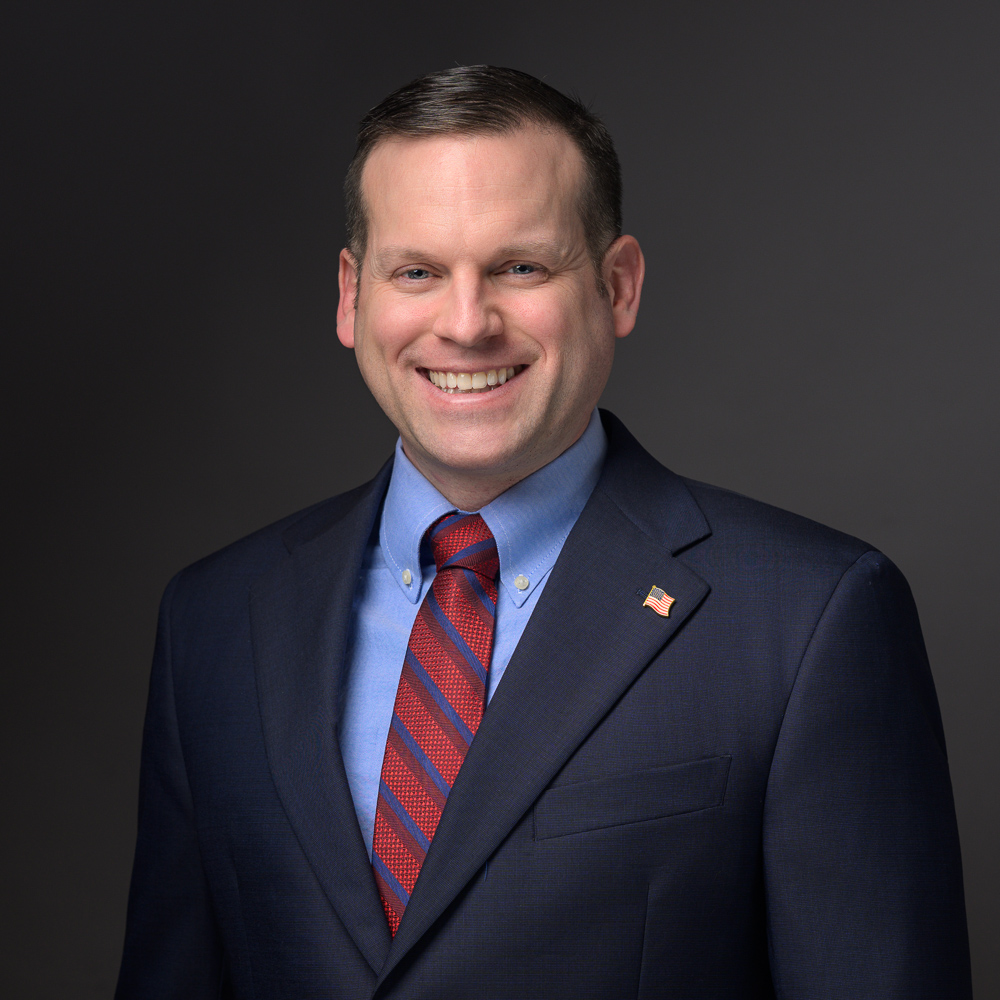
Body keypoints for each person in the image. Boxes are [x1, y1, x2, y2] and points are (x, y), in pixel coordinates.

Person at [115, 66, 972, 998]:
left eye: (520, 267)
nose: (466, 322)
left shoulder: (810, 621)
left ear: (619, 286)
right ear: (352, 297)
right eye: (418, 272)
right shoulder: (215, 621)